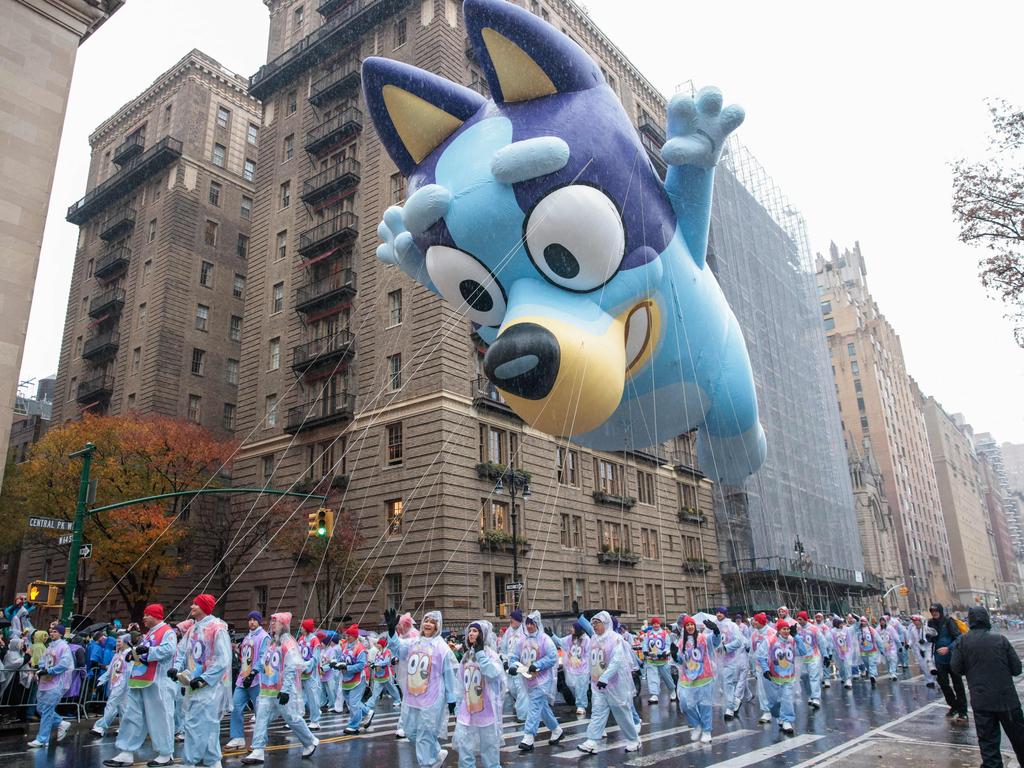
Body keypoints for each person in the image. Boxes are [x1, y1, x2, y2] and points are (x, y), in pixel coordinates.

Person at [103, 604, 177, 768]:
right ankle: (126, 751)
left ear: (155, 616)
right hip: (140, 680)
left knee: (160, 717)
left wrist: (146, 651)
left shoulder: (167, 632)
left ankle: (165, 753)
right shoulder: (149, 633)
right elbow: (142, 650)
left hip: (157, 682)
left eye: (146, 615)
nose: (143, 618)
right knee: (132, 715)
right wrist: (133, 654)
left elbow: (169, 650)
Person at [241, 612, 318, 764]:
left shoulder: (288, 643)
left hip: (282, 690)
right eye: (272, 621)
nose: (272, 624)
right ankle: (257, 750)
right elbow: (264, 660)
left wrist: (285, 690)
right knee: (261, 717)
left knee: (292, 718)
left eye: (275, 622)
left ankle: (310, 741)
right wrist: (253, 673)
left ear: (283, 624)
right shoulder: (272, 642)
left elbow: (291, 667)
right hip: (267, 689)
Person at [951, 607, 1024, 767]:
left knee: (989, 747)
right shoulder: (1000, 639)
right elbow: (1017, 668)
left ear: (970, 621)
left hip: (981, 701)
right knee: (1020, 740)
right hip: (1007, 701)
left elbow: (956, 668)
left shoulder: (963, 642)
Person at [386, 608, 458, 768]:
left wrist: (452, 698)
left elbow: (449, 673)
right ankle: (436, 753)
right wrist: (391, 631)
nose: (428, 624)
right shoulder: (414, 642)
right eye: (426, 620)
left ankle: (427, 763)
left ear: (437, 626)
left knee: (425, 734)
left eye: (432, 622)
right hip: (413, 696)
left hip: (432, 698)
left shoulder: (442, 647)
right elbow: (398, 650)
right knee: (411, 732)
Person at [172, 593, 231, 768]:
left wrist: (204, 679)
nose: (191, 607)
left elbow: (224, 659)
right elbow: (182, 650)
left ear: (204, 607)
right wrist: (176, 668)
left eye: (195, 604)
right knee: (209, 724)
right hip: (194, 684)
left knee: (193, 724)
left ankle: (189, 762)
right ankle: (214, 761)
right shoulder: (194, 628)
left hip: (209, 687)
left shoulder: (216, 628)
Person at [575, 608, 641, 754]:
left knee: (621, 714)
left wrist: (605, 678)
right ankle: (591, 741)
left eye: (597, 623)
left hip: (615, 684)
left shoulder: (615, 639)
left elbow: (617, 661)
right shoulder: (594, 639)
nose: (595, 626)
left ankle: (634, 740)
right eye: (593, 624)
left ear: (605, 623)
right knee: (597, 712)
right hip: (598, 685)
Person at [453, 620, 506, 768]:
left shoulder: (491, 655)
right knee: (465, 749)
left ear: (483, 635)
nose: (471, 633)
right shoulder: (466, 657)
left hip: (487, 712)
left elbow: (494, 675)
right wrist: (458, 706)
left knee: (489, 751)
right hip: (467, 711)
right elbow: (460, 685)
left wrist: (481, 654)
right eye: (470, 631)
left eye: (475, 631)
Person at [508, 610, 563, 751]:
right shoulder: (522, 640)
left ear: (537, 624)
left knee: (534, 706)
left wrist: (537, 665)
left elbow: (552, 657)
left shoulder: (545, 640)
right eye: (527, 623)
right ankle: (556, 729)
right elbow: (514, 656)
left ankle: (528, 736)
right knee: (542, 707)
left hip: (542, 680)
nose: (529, 626)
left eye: (532, 623)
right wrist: (513, 666)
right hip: (527, 680)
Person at [226, 610, 270, 749]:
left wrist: (253, 673)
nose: (251, 622)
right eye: (249, 619)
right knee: (236, 708)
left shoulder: (264, 637)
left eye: (254, 620)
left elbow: (264, 657)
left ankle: (260, 741)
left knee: (260, 712)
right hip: (242, 678)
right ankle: (237, 737)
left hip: (256, 679)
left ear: (259, 621)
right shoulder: (247, 637)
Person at [674, 615, 721, 743]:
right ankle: (696, 725)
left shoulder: (703, 638)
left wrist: (716, 631)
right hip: (687, 679)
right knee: (685, 704)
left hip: (703, 677)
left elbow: (716, 643)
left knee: (704, 705)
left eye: (691, 625)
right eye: (687, 625)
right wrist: (674, 655)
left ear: (695, 626)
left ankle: (706, 731)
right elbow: (680, 660)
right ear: (684, 627)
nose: (689, 627)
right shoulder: (680, 642)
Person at [27, 624, 74, 748]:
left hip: (55, 683)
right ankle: (61, 723)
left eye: (54, 631)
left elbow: (64, 664)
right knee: (41, 708)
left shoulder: (64, 647)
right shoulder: (49, 646)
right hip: (44, 682)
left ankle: (42, 739)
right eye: (50, 631)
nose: (51, 634)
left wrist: (49, 671)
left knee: (47, 710)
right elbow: (43, 660)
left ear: (60, 633)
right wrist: (41, 669)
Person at [757, 619, 805, 735]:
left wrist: (796, 637)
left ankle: (787, 720)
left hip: (788, 676)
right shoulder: (770, 640)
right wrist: (766, 669)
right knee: (774, 703)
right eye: (784, 629)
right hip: (773, 677)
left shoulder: (792, 641)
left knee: (787, 698)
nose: (786, 631)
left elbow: (803, 651)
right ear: (778, 630)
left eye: (788, 629)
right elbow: (761, 656)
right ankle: (779, 716)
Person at [930, 602, 968, 723]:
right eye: (932, 611)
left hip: (952, 657)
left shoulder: (948, 621)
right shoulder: (930, 623)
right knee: (943, 684)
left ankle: (963, 711)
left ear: (940, 611)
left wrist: (948, 648)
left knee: (958, 685)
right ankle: (953, 705)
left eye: (936, 610)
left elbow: (959, 637)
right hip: (939, 659)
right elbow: (930, 639)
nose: (934, 613)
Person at [92, 633, 132, 737]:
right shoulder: (117, 655)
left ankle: (101, 727)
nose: (117, 643)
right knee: (122, 707)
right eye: (117, 641)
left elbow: (129, 672)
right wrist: (101, 680)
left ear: (126, 642)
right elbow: (110, 670)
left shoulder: (130, 654)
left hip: (123, 684)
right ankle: (124, 728)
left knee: (112, 704)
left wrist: (126, 685)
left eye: (119, 641)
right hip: (115, 683)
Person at [334, 623, 368, 735]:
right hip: (346, 679)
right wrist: (335, 664)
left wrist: (346, 667)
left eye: (349, 635)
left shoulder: (360, 648)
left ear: (355, 636)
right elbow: (340, 659)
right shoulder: (344, 646)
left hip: (358, 679)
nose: (346, 637)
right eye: (346, 635)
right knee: (351, 702)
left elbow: (361, 665)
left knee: (353, 703)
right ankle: (367, 712)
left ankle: (354, 725)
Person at [715, 608, 746, 719]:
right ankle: (735, 701)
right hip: (717, 661)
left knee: (728, 683)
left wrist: (726, 648)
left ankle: (729, 709)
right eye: (717, 612)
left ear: (725, 614)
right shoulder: (714, 625)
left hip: (730, 660)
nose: (718, 614)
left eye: (720, 612)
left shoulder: (732, 626)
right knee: (722, 684)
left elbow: (739, 641)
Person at [498, 609, 529, 722]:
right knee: (512, 688)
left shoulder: (525, 632)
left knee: (522, 689)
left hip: (520, 666)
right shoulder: (509, 632)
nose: (511, 621)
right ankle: (522, 706)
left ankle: (523, 715)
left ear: (519, 621)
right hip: (509, 666)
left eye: (513, 619)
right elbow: (503, 648)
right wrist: (505, 661)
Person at [393, 611, 419, 739]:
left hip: (413, 675)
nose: (398, 628)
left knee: (409, 702)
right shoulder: (403, 636)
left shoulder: (413, 635)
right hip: (405, 673)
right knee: (408, 701)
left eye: (399, 625)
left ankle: (404, 727)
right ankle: (407, 726)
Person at [558, 621, 591, 717]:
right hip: (572, 668)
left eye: (573, 628)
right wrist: (552, 636)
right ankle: (578, 701)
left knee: (582, 688)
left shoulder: (586, 640)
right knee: (571, 685)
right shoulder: (570, 639)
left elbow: (588, 654)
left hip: (583, 669)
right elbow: (561, 642)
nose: (571, 629)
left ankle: (581, 706)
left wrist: (583, 663)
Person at [641, 617, 675, 705]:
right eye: (654, 623)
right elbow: (645, 644)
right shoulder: (648, 634)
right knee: (652, 678)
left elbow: (668, 645)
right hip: (651, 660)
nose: (656, 625)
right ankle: (654, 695)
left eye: (657, 623)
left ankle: (672, 690)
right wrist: (645, 651)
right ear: (652, 624)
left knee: (667, 677)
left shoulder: (664, 633)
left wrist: (665, 653)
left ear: (659, 624)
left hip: (663, 660)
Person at [365, 636, 401, 719]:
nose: (377, 645)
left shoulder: (387, 651)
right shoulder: (378, 652)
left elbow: (386, 661)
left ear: (382, 644)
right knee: (375, 691)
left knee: (392, 688)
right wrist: (372, 664)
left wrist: (377, 664)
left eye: (378, 644)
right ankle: (370, 703)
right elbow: (376, 661)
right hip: (378, 675)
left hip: (386, 675)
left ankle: (398, 700)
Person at [795, 611, 824, 708]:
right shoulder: (797, 629)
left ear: (805, 619)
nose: (799, 621)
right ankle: (810, 695)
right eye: (798, 619)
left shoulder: (814, 629)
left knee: (814, 677)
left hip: (814, 656)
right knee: (804, 677)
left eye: (801, 619)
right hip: (802, 659)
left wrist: (827, 655)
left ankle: (816, 698)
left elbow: (821, 642)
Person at [749, 613, 775, 723]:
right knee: (762, 689)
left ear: (761, 621)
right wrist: (753, 668)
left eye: (755, 620)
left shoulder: (772, 633)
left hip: (772, 667)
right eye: (753, 620)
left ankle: (779, 712)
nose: (753, 622)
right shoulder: (754, 634)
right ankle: (766, 712)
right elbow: (752, 651)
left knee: (774, 690)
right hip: (760, 667)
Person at [296, 619, 322, 728]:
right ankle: (298, 717)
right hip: (300, 673)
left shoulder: (315, 641)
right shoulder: (301, 639)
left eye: (302, 626)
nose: (300, 628)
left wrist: (305, 666)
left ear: (306, 628)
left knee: (313, 697)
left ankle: (315, 720)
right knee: (299, 697)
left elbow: (315, 659)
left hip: (311, 674)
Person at [908, 614, 936, 687]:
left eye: (916, 621)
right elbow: (912, 639)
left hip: (927, 649)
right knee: (923, 666)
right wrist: (908, 644)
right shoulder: (913, 629)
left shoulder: (926, 628)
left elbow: (932, 637)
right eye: (913, 621)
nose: (915, 622)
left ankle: (935, 679)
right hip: (919, 650)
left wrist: (925, 640)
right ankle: (929, 681)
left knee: (930, 663)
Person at [830, 617, 856, 689]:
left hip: (846, 651)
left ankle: (848, 680)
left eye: (842, 623)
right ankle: (844, 678)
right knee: (841, 667)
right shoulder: (832, 631)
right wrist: (833, 650)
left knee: (847, 665)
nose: (842, 625)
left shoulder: (846, 630)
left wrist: (849, 649)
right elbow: (831, 642)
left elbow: (849, 640)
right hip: (837, 652)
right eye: (840, 624)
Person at [857, 616, 881, 686]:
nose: (862, 623)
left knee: (872, 663)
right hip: (863, 651)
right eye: (861, 621)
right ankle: (871, 673)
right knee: (867, 664)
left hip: (872, 650)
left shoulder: (871, 629)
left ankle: (872, 675)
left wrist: (881, 649)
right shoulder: (858, 631)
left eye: (864, 621)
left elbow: (878, 640)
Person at [877, 616, 900, 681]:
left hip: (892, 647)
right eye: (881, 621)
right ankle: (890, 672)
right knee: (886, 661)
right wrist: (879, 648)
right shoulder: (878, 629)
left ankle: (893, 673)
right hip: (883, 648)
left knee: (893, 659)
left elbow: (896, 637)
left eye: (883, 621)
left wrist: (900, 645)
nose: (882, 622)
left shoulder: (890, 628)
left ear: (885, 621)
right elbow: (876, 638)